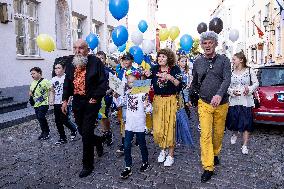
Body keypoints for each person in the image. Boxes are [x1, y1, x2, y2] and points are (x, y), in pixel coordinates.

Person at [61, 39, 107, 178]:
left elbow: (103, 82)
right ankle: (98, 141)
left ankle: (87, 165)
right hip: (77, 102)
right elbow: (67, 82)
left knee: (86, 133)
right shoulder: (70, 62)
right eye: (75, 48)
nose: (77, 51)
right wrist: (64, 99)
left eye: (81, 48)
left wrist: (96, 97)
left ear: (87, 49)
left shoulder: (95, 62)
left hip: (91, 101)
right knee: (81, 130)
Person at [190, 31, 231, 183]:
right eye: (204, 43)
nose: (207, 45)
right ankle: (208, 166)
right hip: (204, 103)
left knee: (218, 133)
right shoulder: (197, 62)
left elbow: (227, 79)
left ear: (215, 44)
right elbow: (194, 81)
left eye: (210, 42)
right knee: (205, 134)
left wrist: (219, 94)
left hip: (222, 103)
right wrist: (191, 96)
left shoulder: (224, 60)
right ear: (201, 45)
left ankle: (215, 153)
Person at [145, 48, 182, 167]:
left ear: (169, 58)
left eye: (163, 57)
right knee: (159, 127)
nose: (160, 58)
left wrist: (170, 77)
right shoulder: (154, 68)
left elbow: (180, 85)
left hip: (170, 100)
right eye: (159, 56)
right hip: (157, 100)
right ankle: (163, 149)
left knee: (170, 127)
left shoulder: (175, 69)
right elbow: (146, 83)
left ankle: (170, 154)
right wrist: (145, 75)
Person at [113, 70, 152, 179]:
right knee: (126, 145)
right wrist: (116, 96)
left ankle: (145, 162)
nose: (131, 84)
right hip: (129, 123)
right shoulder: (126, 93)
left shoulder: (143, 93)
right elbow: (119, 103)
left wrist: (146, 104)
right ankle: (128, 166)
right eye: (129, 82)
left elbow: (149, 109)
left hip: (139, 122)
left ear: (138, 82)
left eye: (133, 82)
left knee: (142, 144)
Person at [226, 52, 259, 154]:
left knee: (246, 124)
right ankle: (234, 133)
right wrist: (231, 92)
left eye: (234, 59)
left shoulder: (249, 70)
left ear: (241, 60)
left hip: (246, 102)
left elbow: (256, 83)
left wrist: (249, 89)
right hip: (234, 101)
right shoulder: (231, 72)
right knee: (233, 121)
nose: (232, 61)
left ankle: (244, 146)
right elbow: (226, 86)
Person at [50, 61, 77, 145]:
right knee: (57, 121)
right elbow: (52, 91)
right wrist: (51, 100)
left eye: (59, 68)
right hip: (56, 103)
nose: (56, 70)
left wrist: (68, 101)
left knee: (64, 120)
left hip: (65, 102)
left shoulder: (67, 78)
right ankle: (62, 138)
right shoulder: (53, 79)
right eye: (55, 68)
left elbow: (71, 91)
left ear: (64, 69)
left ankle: (73, 129)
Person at [115, 53, 136, 154]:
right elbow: (118, 84)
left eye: (128, 59)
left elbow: (140, 84)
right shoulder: (120, 71)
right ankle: (125, 142)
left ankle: (133, 137)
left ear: (132, 60)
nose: (125, 61)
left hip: (133, 99)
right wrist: (114, 92)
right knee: (124, 120)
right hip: (123, 98)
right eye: (124, 59)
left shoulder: (136, 71)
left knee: (132, 119)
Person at [96, 51, 114, 146]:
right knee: (99, 115)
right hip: (95, 96)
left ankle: (108, 133)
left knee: (104, 115)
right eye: (97, 58)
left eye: (101, 58)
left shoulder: (108, 71)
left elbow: (114, 85)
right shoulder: (92, 70)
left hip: (105, 96)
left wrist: (108, 91)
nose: (99, 60)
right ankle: (104, 133)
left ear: (105, 59)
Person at [29, 67, 52, 140]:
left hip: (44, 103)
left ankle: (47, 132)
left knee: (41, 117)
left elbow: (51, 89)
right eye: (31, 74)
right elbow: (32, 92)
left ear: (39, 73)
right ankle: (43, 132)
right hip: (36, 104)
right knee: (39, 118)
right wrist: (30, 93)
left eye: (34, 73)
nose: (32, 75)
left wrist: (51, 99)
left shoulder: (45, 81)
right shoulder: (33, 82)